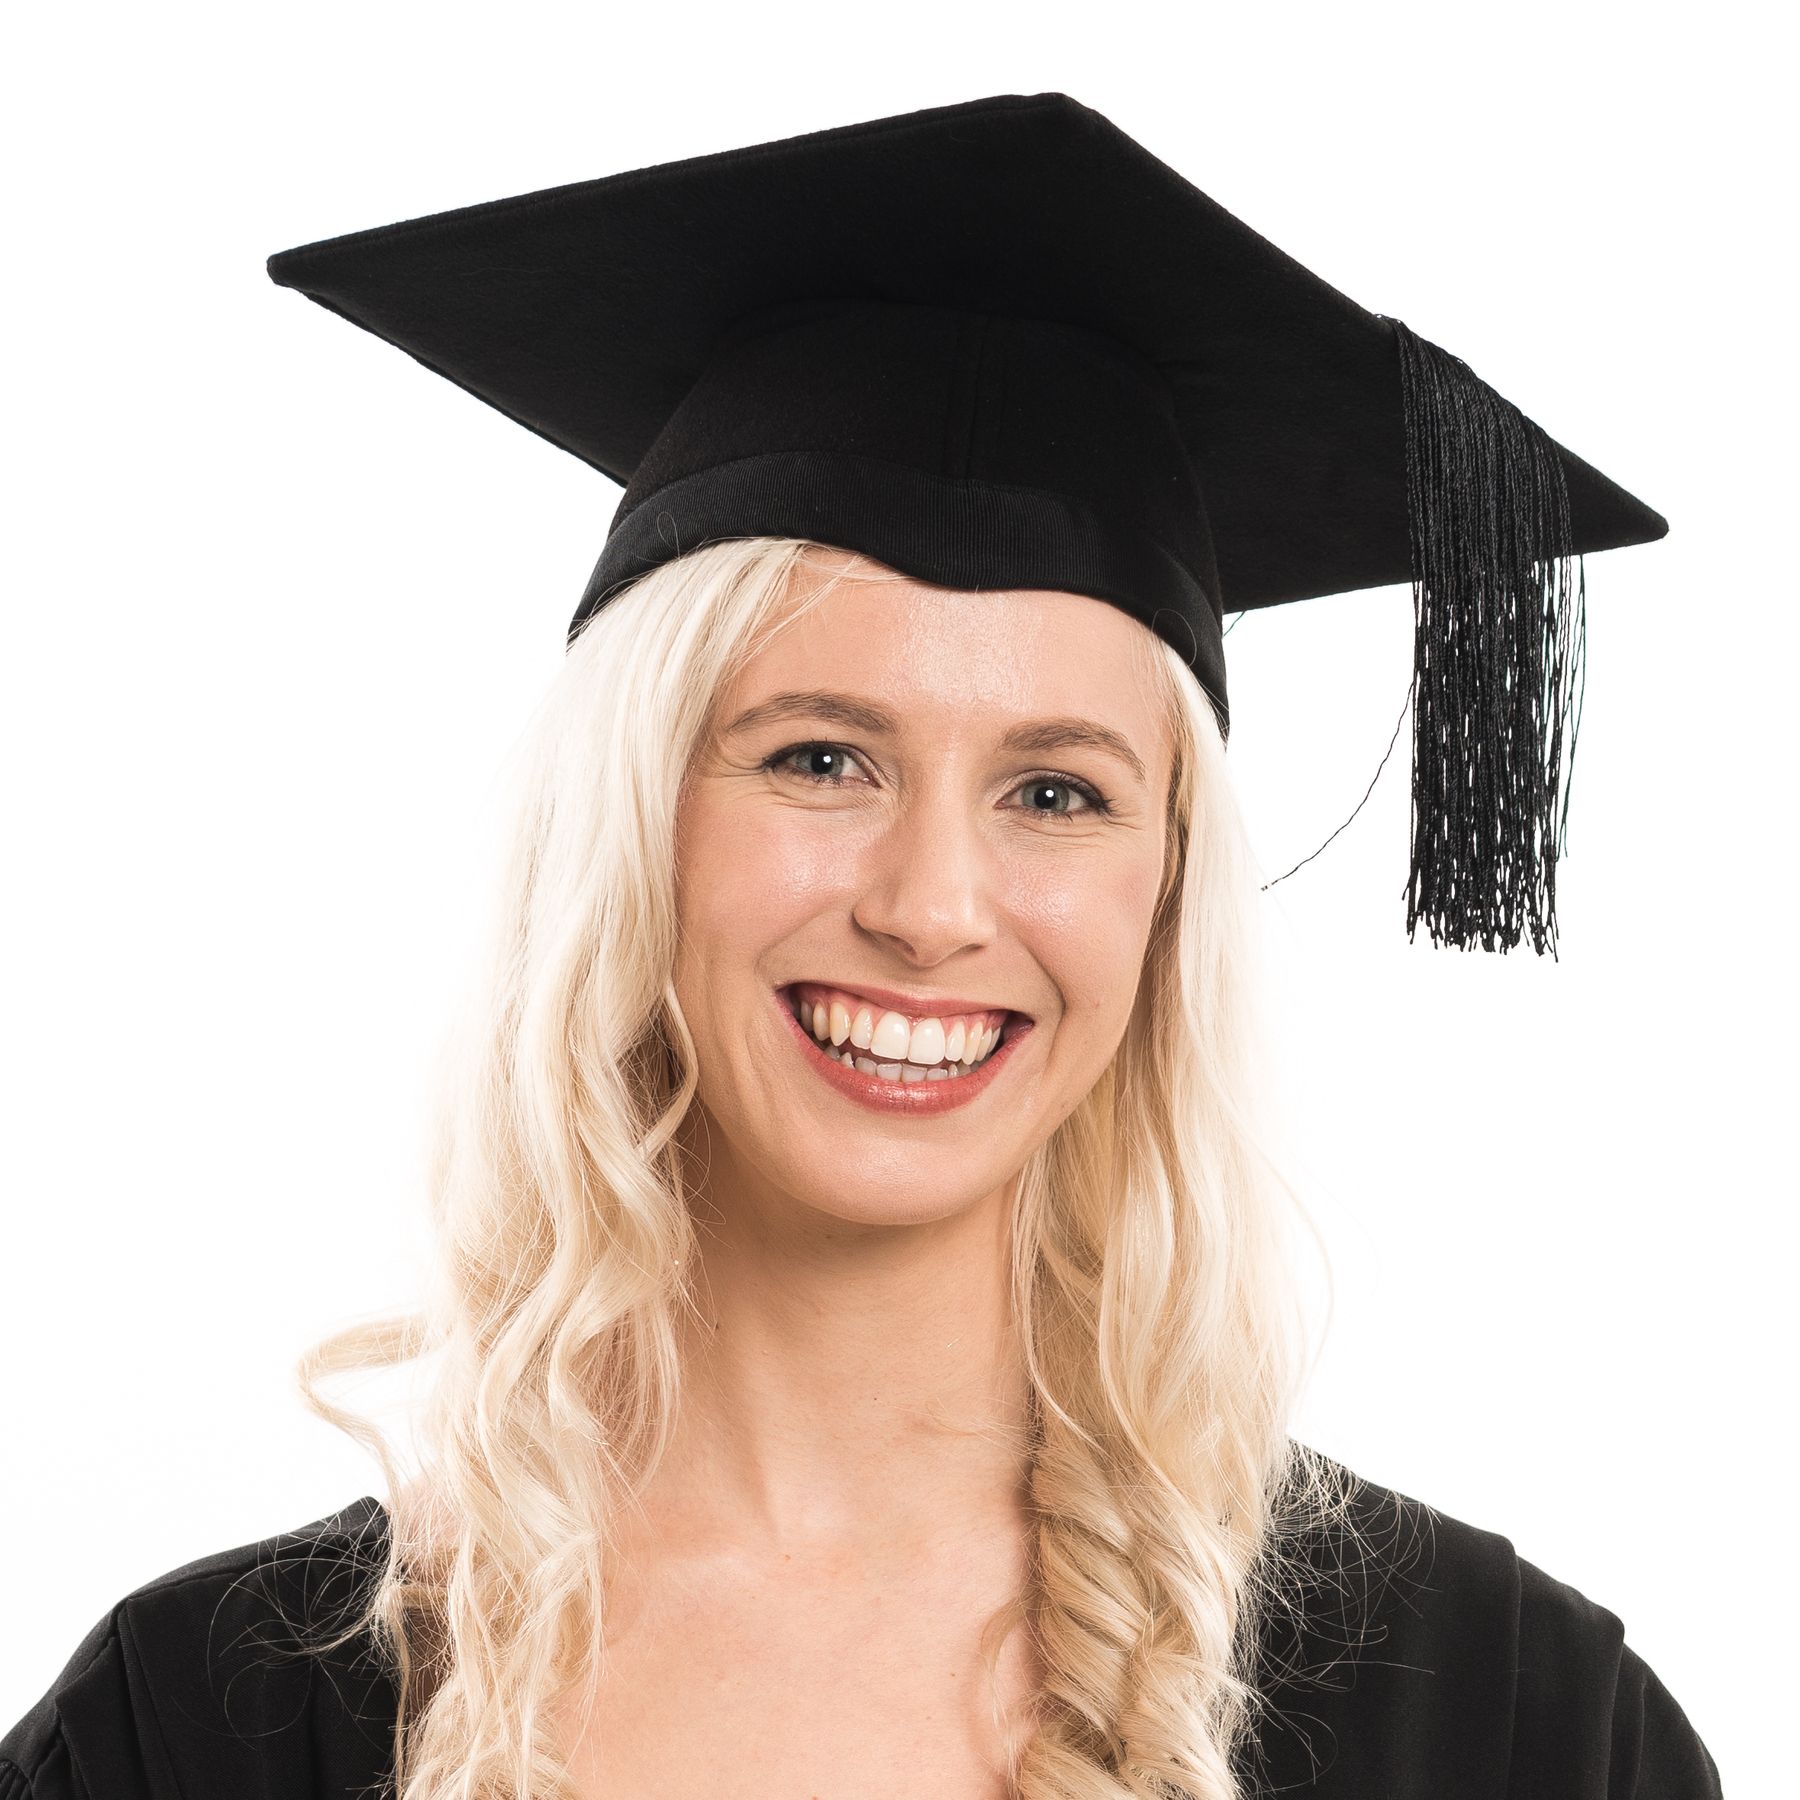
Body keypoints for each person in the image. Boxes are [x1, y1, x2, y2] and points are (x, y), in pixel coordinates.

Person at [1, 95, 1722, 1799]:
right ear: (634, 826)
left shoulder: (1509, 1725)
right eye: (820, 758)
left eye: (1057, 790)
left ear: (1167, 888)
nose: (930, 905)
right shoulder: (202, 1733)